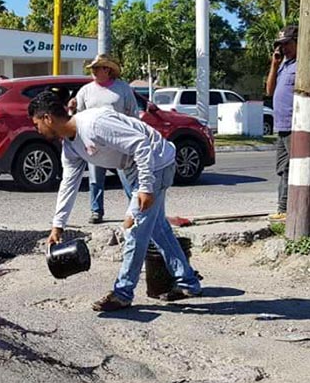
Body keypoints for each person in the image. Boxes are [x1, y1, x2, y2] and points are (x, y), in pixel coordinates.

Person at [29, 90, 201, 311]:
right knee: (158, 229)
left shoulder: (94, 124)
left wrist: (146, 187)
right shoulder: (71, 146)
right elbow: (68, 184)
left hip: (156, 163)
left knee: (133, 229)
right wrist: (57, 226)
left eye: (36, 125)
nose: (37, 130)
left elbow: (141, 143)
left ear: (47, 118)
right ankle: (188, 282)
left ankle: (122, 293)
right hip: (136, 169)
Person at [68, 54, 139, 224]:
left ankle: (134, 210)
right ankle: (96, 211)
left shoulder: (122, 89)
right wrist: (72, 108)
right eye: (92, 68)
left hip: (119, 141)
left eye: (96, 67)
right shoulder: (85, 91)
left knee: (127, 177)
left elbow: (133, 112)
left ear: (107, 70)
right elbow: (78, 115)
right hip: (94, 142)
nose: (92, 71)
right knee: (95, 179)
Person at [265, 25, 298, 222]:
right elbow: (269, 91)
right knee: (282, 168)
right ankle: (284, 209)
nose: (283, 49)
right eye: (280, 45)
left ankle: (287, 210)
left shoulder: (303, 65)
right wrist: (274, 65)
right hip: (282, 125)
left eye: (287, 44)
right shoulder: (285, 65)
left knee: (292, 168)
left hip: (295, 125)